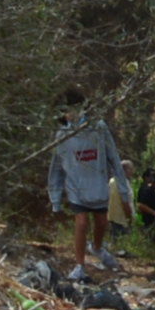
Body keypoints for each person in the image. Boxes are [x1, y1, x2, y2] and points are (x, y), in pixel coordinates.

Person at [47, 109, 127, 265]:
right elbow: (56, 166)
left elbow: (113, 157)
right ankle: (79, 265)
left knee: (102, 223)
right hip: (76, 186)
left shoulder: (98, 128)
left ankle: (97, 247)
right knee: (82, 223)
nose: (69, 114)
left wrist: (123, 190)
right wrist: (55, 199)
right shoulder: (63, 135)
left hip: (98, 185)